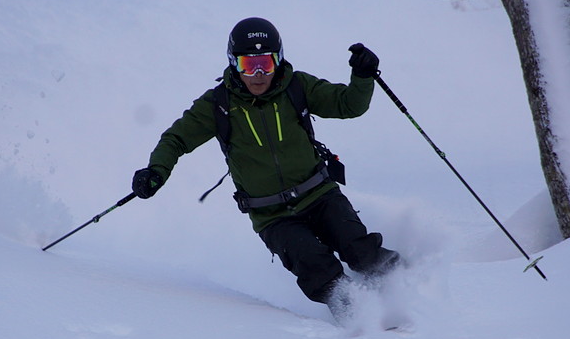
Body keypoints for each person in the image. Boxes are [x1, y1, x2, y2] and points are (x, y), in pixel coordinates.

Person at [131, 17, 400, 322]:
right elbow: (176, 138)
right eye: (248, 65)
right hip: (273, 216)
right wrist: (156, 171)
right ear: (234, 63)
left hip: (320, 194)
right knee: (314, 265)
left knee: (361, 251)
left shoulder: (296, 87)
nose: (258, 75)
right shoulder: (218, 105)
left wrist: (362, 76)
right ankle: (360, 316)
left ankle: (405, 292)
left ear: (278, 60)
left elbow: (348, 105)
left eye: (266, 64)